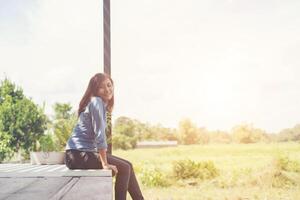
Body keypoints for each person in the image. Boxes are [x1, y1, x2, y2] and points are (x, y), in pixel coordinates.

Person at [65, 73, 144, 200]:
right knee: (124, 168)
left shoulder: (99, 104)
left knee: (128, 165)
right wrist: (105, 164)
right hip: (77, 155)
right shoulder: (96, 102)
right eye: (102, 87)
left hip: (80, 154)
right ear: (95, 90)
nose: (107, 89)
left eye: (109, 85)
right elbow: (100, 135)